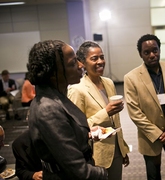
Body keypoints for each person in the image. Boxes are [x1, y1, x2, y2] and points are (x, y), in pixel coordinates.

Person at [26, 40, 108, 180]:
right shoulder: (48, 109)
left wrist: (85, 134)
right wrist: (103, 174)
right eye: (73, 63)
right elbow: (78, 170)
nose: (80, 65)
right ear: (52, 73)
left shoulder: (57, 97)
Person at [124, 34, 165, 180]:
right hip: (149, 136)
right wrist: (158, 134)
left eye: (155, 50)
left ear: (159, 50)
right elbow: (135, 113)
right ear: (141, 54)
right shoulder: (131, 78)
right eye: (147, 52)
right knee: (153, 174)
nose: (152, 55)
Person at [67, 41, 130, 180]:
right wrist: (105, 112)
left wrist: (122, 149)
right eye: (94, 58)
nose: (100, 61)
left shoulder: (109, 82)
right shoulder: (77, 89)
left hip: (116, 149)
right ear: (82, 62)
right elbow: (76, 127)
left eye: (102, 57)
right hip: (95, 154)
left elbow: (116, 121)